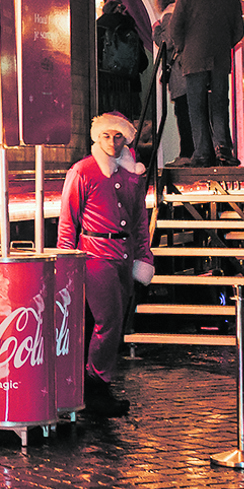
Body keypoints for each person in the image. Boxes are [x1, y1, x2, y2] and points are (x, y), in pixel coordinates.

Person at [57, 112, 154, 417]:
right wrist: (65, 262)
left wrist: (144, 256)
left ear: (126, 138)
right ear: (96, 138)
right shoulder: (83, 171)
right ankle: (96, 384)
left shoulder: (132, 174)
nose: (112, 142)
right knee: (108, 321)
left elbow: (139, 220)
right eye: (106, 136)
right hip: (95, 254)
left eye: (118, 136)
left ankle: (96, 383)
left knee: (114, 322)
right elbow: (67, 222)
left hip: (123, 254)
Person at [168, 0, 244, 167]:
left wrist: (183, 48)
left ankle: (202, 153)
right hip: (220, 59)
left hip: (193, 59)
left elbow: (175, 28)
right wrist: (225, 45)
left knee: (197, 106)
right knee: (220, 104)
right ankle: (224, 150)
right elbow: (239, 31)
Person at [152, 0, 194, 164]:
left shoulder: (169, 17)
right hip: (190, 70)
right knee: (194, 113)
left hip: (179, 73)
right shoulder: (186, 16)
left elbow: (166, 42)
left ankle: (186, 153)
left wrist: (156, 30)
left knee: (183, 114)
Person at [96, 0, 148, 120]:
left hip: (105, 82)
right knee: (127, 121)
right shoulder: (130, 27)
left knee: (106, 121)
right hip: (130, 84)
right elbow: (143, 62)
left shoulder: (98, 27)